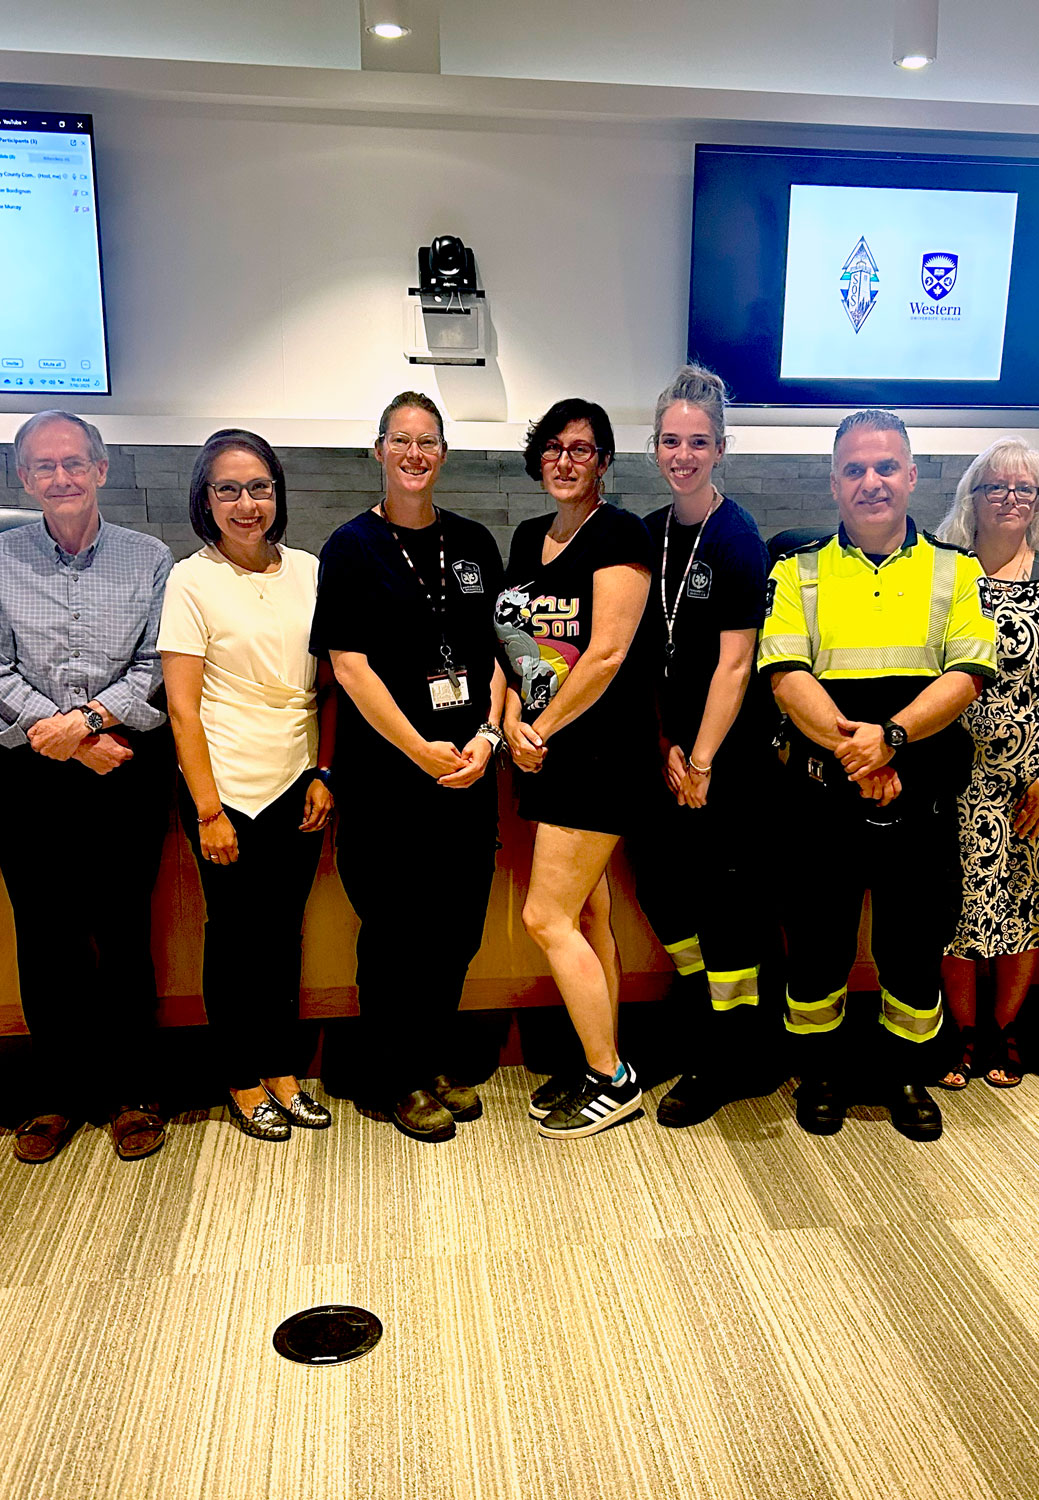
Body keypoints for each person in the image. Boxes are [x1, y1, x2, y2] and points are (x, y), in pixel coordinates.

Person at [757, 410, 998, 1142]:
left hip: (919, 796)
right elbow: (786, 677)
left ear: (912, 475)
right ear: (834, 483)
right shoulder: (795, 570)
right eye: (855, 469)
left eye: (886, 467)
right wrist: (858, 755)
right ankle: (821, 1073)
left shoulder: (958, 570)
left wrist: (890, 741)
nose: (872, 482)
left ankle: (906, 1075)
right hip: (821, 796)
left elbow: (967, 675)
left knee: (913, 948)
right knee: (816, 945)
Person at [0, 410, 176, 1166]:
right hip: (30, 773)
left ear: (100, 469)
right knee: (45, 935)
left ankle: (133, 1092)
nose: (61, 477)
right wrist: (61, 736)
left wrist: (87, 725)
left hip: (123, 766)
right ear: (24, 478)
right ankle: (56, 1091)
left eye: (74, 463)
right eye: (44, 466)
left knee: (124, 933)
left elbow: (155, 663)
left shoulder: (149, 558)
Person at [314, 393, 507, 1143]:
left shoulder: (474, 543)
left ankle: (431, 1059)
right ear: (379, 450)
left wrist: (487, 736)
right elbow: (350, 666)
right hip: (388, 779)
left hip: (467, 773)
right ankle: (395, 1075)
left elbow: (499, 652)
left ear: (443, 454)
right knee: (396, 933)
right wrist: (417, 749)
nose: (414, 454)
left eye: (427, 442)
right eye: (401, 441)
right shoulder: (351, 547)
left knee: (456, 930)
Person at [159, 429, 336, 1141]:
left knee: (283, 933)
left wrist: (323, 772)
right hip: (225, 787)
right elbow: (182, 707)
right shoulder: (190, 579)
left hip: (298, 777)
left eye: (259, 487)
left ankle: (284, 1069)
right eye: (228, 489)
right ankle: (240, 1077)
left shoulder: (310, 570)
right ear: (205, 499)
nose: (246, 503)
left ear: (277, 494)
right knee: (235, 937)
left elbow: (328, 685)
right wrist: (209, 811)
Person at [495, 399, 659, 1139]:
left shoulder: (620, 534)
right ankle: (600, 1060)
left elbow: (607, 654)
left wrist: (539, 726)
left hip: (599, 756)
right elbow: (515, 642)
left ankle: (613, 1079)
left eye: (582, 449)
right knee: (588, 914)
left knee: (546, 916)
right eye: (554, 447)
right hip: (544, 753)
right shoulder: (528, 536)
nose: (566, 460)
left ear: (604, 463)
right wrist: (509, 719)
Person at [627, 366, 776, 1127]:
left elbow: (735, 664)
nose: (682, 455)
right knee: (659, 885)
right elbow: (643, 651)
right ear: (654, 446)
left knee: (725, 909)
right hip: (667, 754)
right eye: (670, 441)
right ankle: (697, 1011)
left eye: (697, 442)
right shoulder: (649, 533)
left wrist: (704, 760)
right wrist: (666, 744)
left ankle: (730, 1056)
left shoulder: (738, 537)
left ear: (720, 448)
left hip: (725, 761)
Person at [932, 438, 1039, 1090]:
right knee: (951, 908)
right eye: (996, 486)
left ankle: (1004, 1030)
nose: (1010, 498)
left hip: (1027, 780)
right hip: (946, 773)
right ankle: (962, 1033)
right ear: (971, 498)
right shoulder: (942, 572)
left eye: (1023, 488)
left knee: (1019, 909)